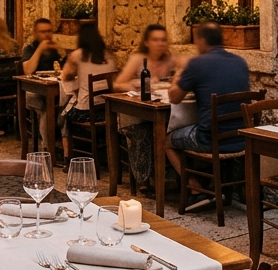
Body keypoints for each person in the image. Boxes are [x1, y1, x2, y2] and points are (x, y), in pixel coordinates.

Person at [168, 22, 252, 209]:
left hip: (211, 140)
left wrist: (178, 74)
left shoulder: (197, 63)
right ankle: (213, 186)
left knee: (165, 140)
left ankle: (197, 190)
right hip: (241, 138)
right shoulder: (240, 61)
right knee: (201, 126)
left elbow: (174, 97)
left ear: (201, 40)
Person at [114, 24, 186, 193]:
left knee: (177, 129)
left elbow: (188, 62)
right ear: (147, 42)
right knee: (143, 131)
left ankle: (182, 179)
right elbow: (117, 84)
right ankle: (143, 179)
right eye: (156, 40)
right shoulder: (138, 59)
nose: (160, 44)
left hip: (161, 111)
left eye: (163, 40)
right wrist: (138, 85)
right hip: (134, 113)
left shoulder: (169, 59)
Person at [60, 22, 120, 155]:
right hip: (107, 109)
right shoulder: (108, 55)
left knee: (63, 115)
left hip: (86, 112)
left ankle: (67, 156)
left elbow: (65, 75)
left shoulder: (78, 55)